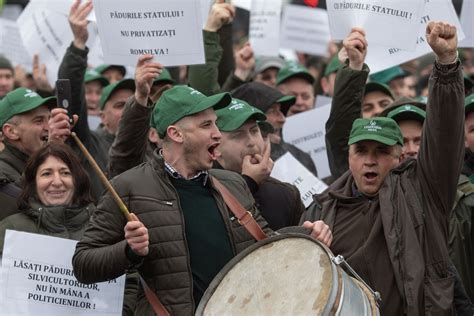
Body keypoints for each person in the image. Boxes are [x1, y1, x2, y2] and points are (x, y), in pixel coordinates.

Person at [73, 82, 332, 314]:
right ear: (176, 134)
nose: (218, 134)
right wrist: (129, 251)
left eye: (216, 124)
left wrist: (304, 235)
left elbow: (262, 245)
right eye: (206, 125)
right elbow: (83, 264)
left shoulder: (232, 183)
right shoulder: (128, 187)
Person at [302, 21, 464, 315]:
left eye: (382, 151)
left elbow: (444, 135)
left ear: (400, 157)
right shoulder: (321, 209)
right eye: (361, 151)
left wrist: (446, 64)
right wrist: (308, 244)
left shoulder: (421, 194)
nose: (370, 160)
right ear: (348, 156)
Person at [215, 98, 306, 229]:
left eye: (254, 131)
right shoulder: (201, 189)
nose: (252, 142)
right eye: (238, 135)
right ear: (215, 146)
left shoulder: (287, 194)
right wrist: (249, 182)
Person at [0, 143, 94, 255]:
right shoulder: (12, 228)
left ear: (78, 180)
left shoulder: (101, 227)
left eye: (65, 173)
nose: (57, 182)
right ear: (33, 182)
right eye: (47, 174)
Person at [231, 81, 319, 177]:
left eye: (281, 110)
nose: (282, 119)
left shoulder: (301, 158)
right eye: (272, 111)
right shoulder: (224, 171)